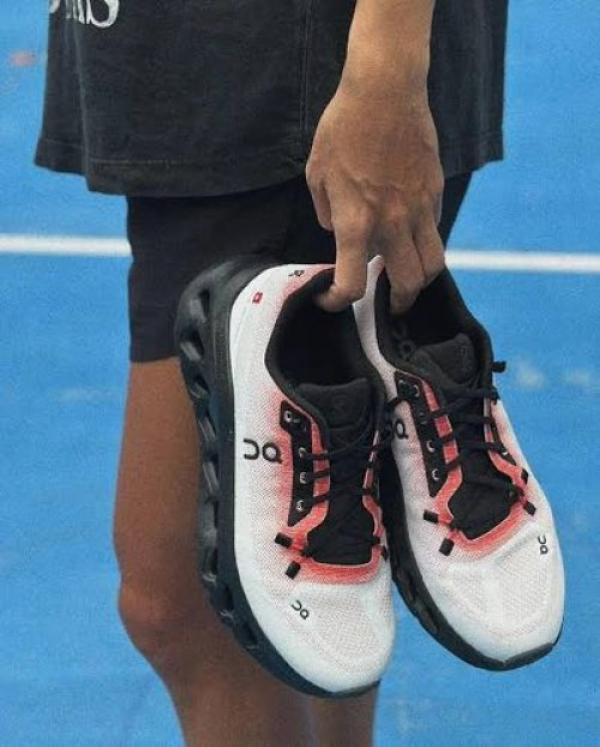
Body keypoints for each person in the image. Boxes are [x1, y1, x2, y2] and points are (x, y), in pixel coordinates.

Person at [36, 0, 508, 744]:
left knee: (194, 602)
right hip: (225, 68)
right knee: (316, 581)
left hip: (283, 72)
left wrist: (386, 68)